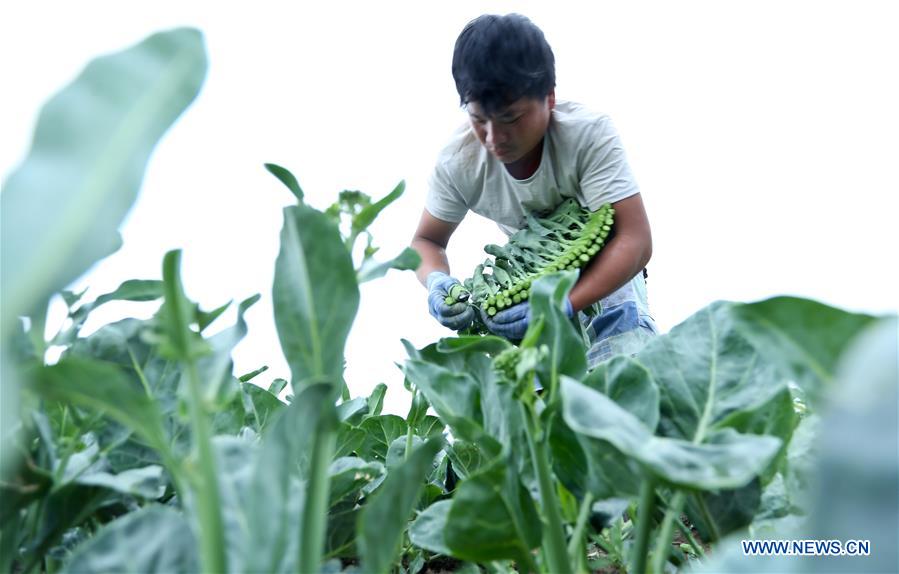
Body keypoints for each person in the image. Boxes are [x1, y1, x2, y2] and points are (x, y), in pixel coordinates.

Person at [411, 13, 658, 367]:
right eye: (479, 119)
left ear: (550, 97)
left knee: (624, 366)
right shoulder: (459, 162)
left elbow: (636, 240)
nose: (494, 138)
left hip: (609, 266)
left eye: (511, 118)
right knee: (545, 392)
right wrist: (436, 280)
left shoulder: (587, 136)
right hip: (530, 279)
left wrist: (562, 304)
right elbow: (426, 241)